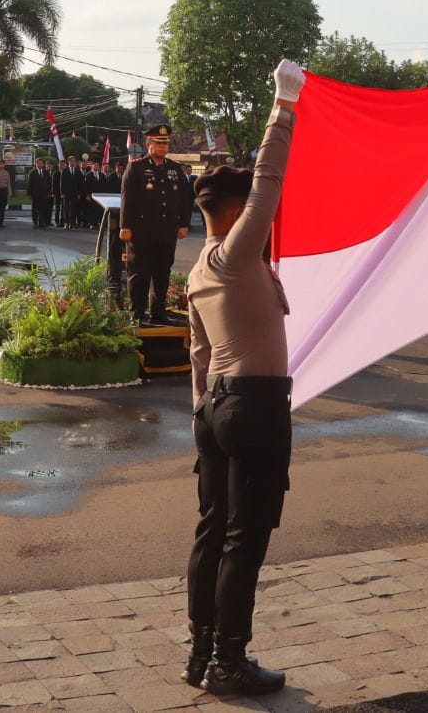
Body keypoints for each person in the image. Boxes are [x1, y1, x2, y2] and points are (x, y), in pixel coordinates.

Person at [182, 60, 304, 697]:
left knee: (213, 532)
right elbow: (269, 181)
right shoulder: (234, 253)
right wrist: (284, 105)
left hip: (217, 410)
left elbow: (198, 354)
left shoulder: (200, 266)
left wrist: (202, 414)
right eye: (251, 209)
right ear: (235, 210)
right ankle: (229, 663)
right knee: (244, 540)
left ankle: (201, 653)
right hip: (254, 409)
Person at [121, 125, 193, 325]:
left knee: (162, 273)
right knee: (140, 273)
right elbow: (127, 199)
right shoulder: (136, 167)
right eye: (159, 143)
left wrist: (184, 224)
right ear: (149, 145)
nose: (163, 147)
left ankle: (158, 313)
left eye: (166, 143)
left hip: (167, 231)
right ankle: (136, 314)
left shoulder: (174, 168)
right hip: (142, 231)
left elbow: (184, 199)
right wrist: (125, 226)